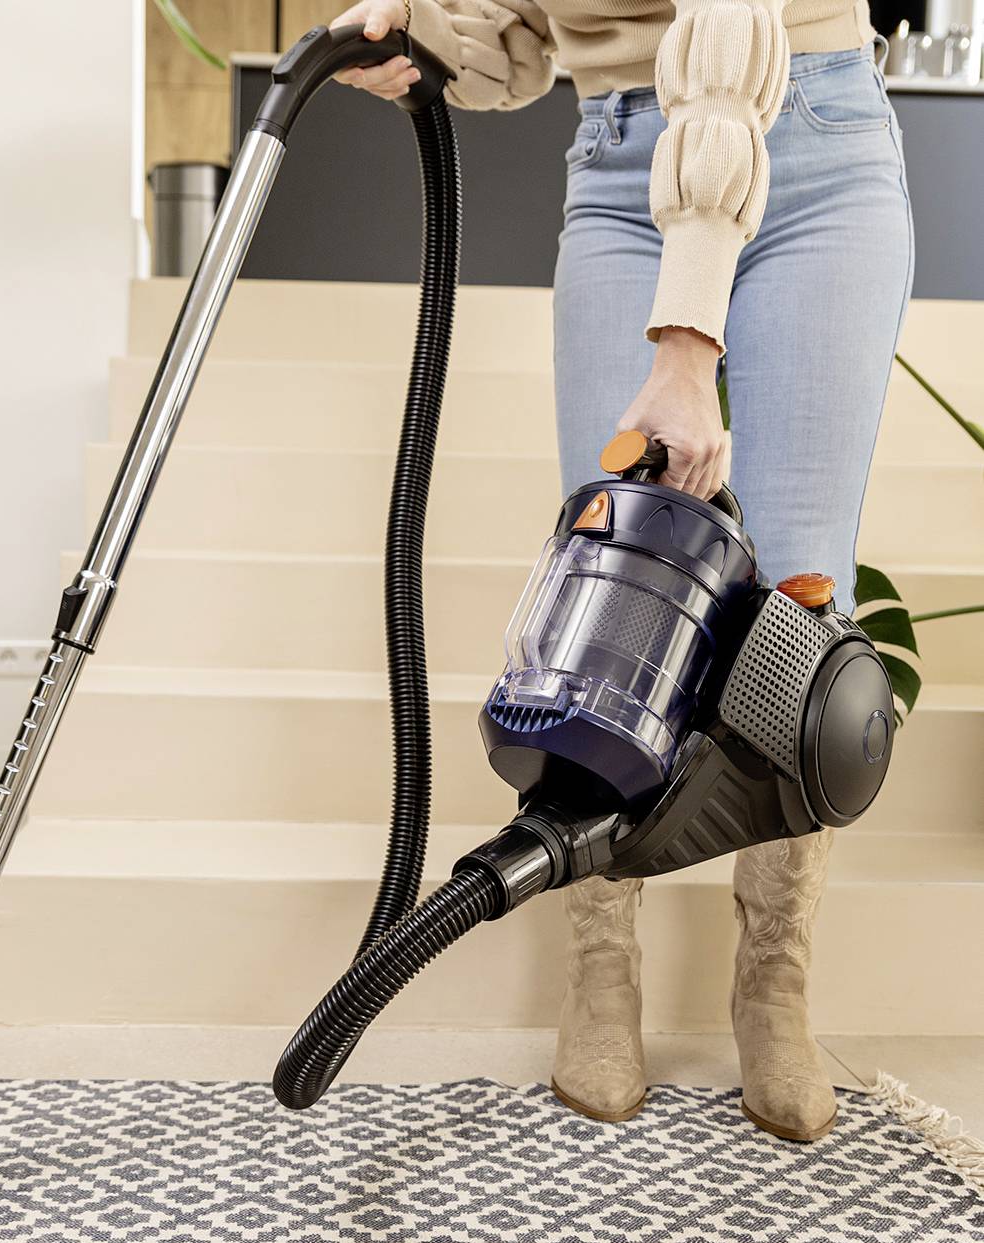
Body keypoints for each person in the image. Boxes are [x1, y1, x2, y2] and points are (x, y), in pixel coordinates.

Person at [331, 0, 914, 1141]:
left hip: (812, 143)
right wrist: (429, 35)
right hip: (620, 162)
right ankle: (600, 971)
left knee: (798, 604)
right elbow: (528, 39)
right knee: (612, 597)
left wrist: (687, 347)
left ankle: (773, 983)